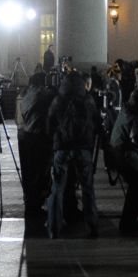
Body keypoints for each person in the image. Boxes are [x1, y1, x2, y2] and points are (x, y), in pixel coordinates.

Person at [45, 70, 100, 237]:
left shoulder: (58, 101)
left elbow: (49, 125)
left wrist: (55, 141)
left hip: (62, 149)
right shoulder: (88, 100)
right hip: (83, 149)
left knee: (57, 189)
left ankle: (54, 228)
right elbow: (97, 123)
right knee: (87, 188)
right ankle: (92, 226)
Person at [107, 88, 138, 235]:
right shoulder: (134, 118)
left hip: (117, 153)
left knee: (137, 186)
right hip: (124, 155)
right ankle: (128, 221)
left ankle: (129, 220)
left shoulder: (125, 110)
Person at [17, 69, 56, 224]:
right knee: (38, 173)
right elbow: (54, 97)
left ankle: (31, 204)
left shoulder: (25, 94)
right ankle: (35, 206)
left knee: (29, 173)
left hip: (25, 136)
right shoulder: (40, 94)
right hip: (37, 138)